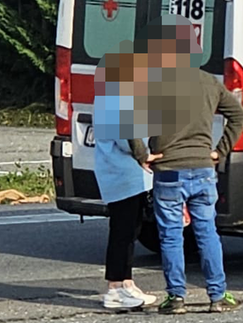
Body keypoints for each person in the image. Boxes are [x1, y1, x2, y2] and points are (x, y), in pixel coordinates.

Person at [133, 14, 243, 314]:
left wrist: (142, 153)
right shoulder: (209, 82)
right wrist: (220, 150)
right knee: (206, 231)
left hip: (168, 169)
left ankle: (177, 297)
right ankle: (218, 295)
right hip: (203, 167)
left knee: (171, 234)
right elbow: (238, 115)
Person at [92, 45, 159, 310]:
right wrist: (146, 154)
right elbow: (127, 139)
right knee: (123, 233)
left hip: (120, 175)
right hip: (125, 176)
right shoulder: (117, 99)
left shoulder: (108, 97)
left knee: (129, 231)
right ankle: (115, 288)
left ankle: (126, 283)